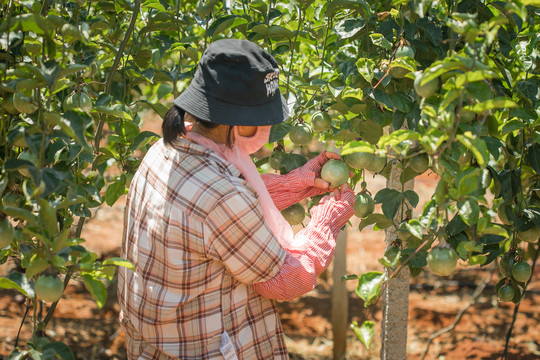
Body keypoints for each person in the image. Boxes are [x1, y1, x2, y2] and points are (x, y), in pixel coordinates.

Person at [117, 38, 356, 360]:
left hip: (161, 341)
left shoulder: (165, 151)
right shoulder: (222, 196)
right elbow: (288, 279)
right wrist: (326, 222)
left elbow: (210, 220)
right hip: (208, 347)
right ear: (238, 122)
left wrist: (294, 185)